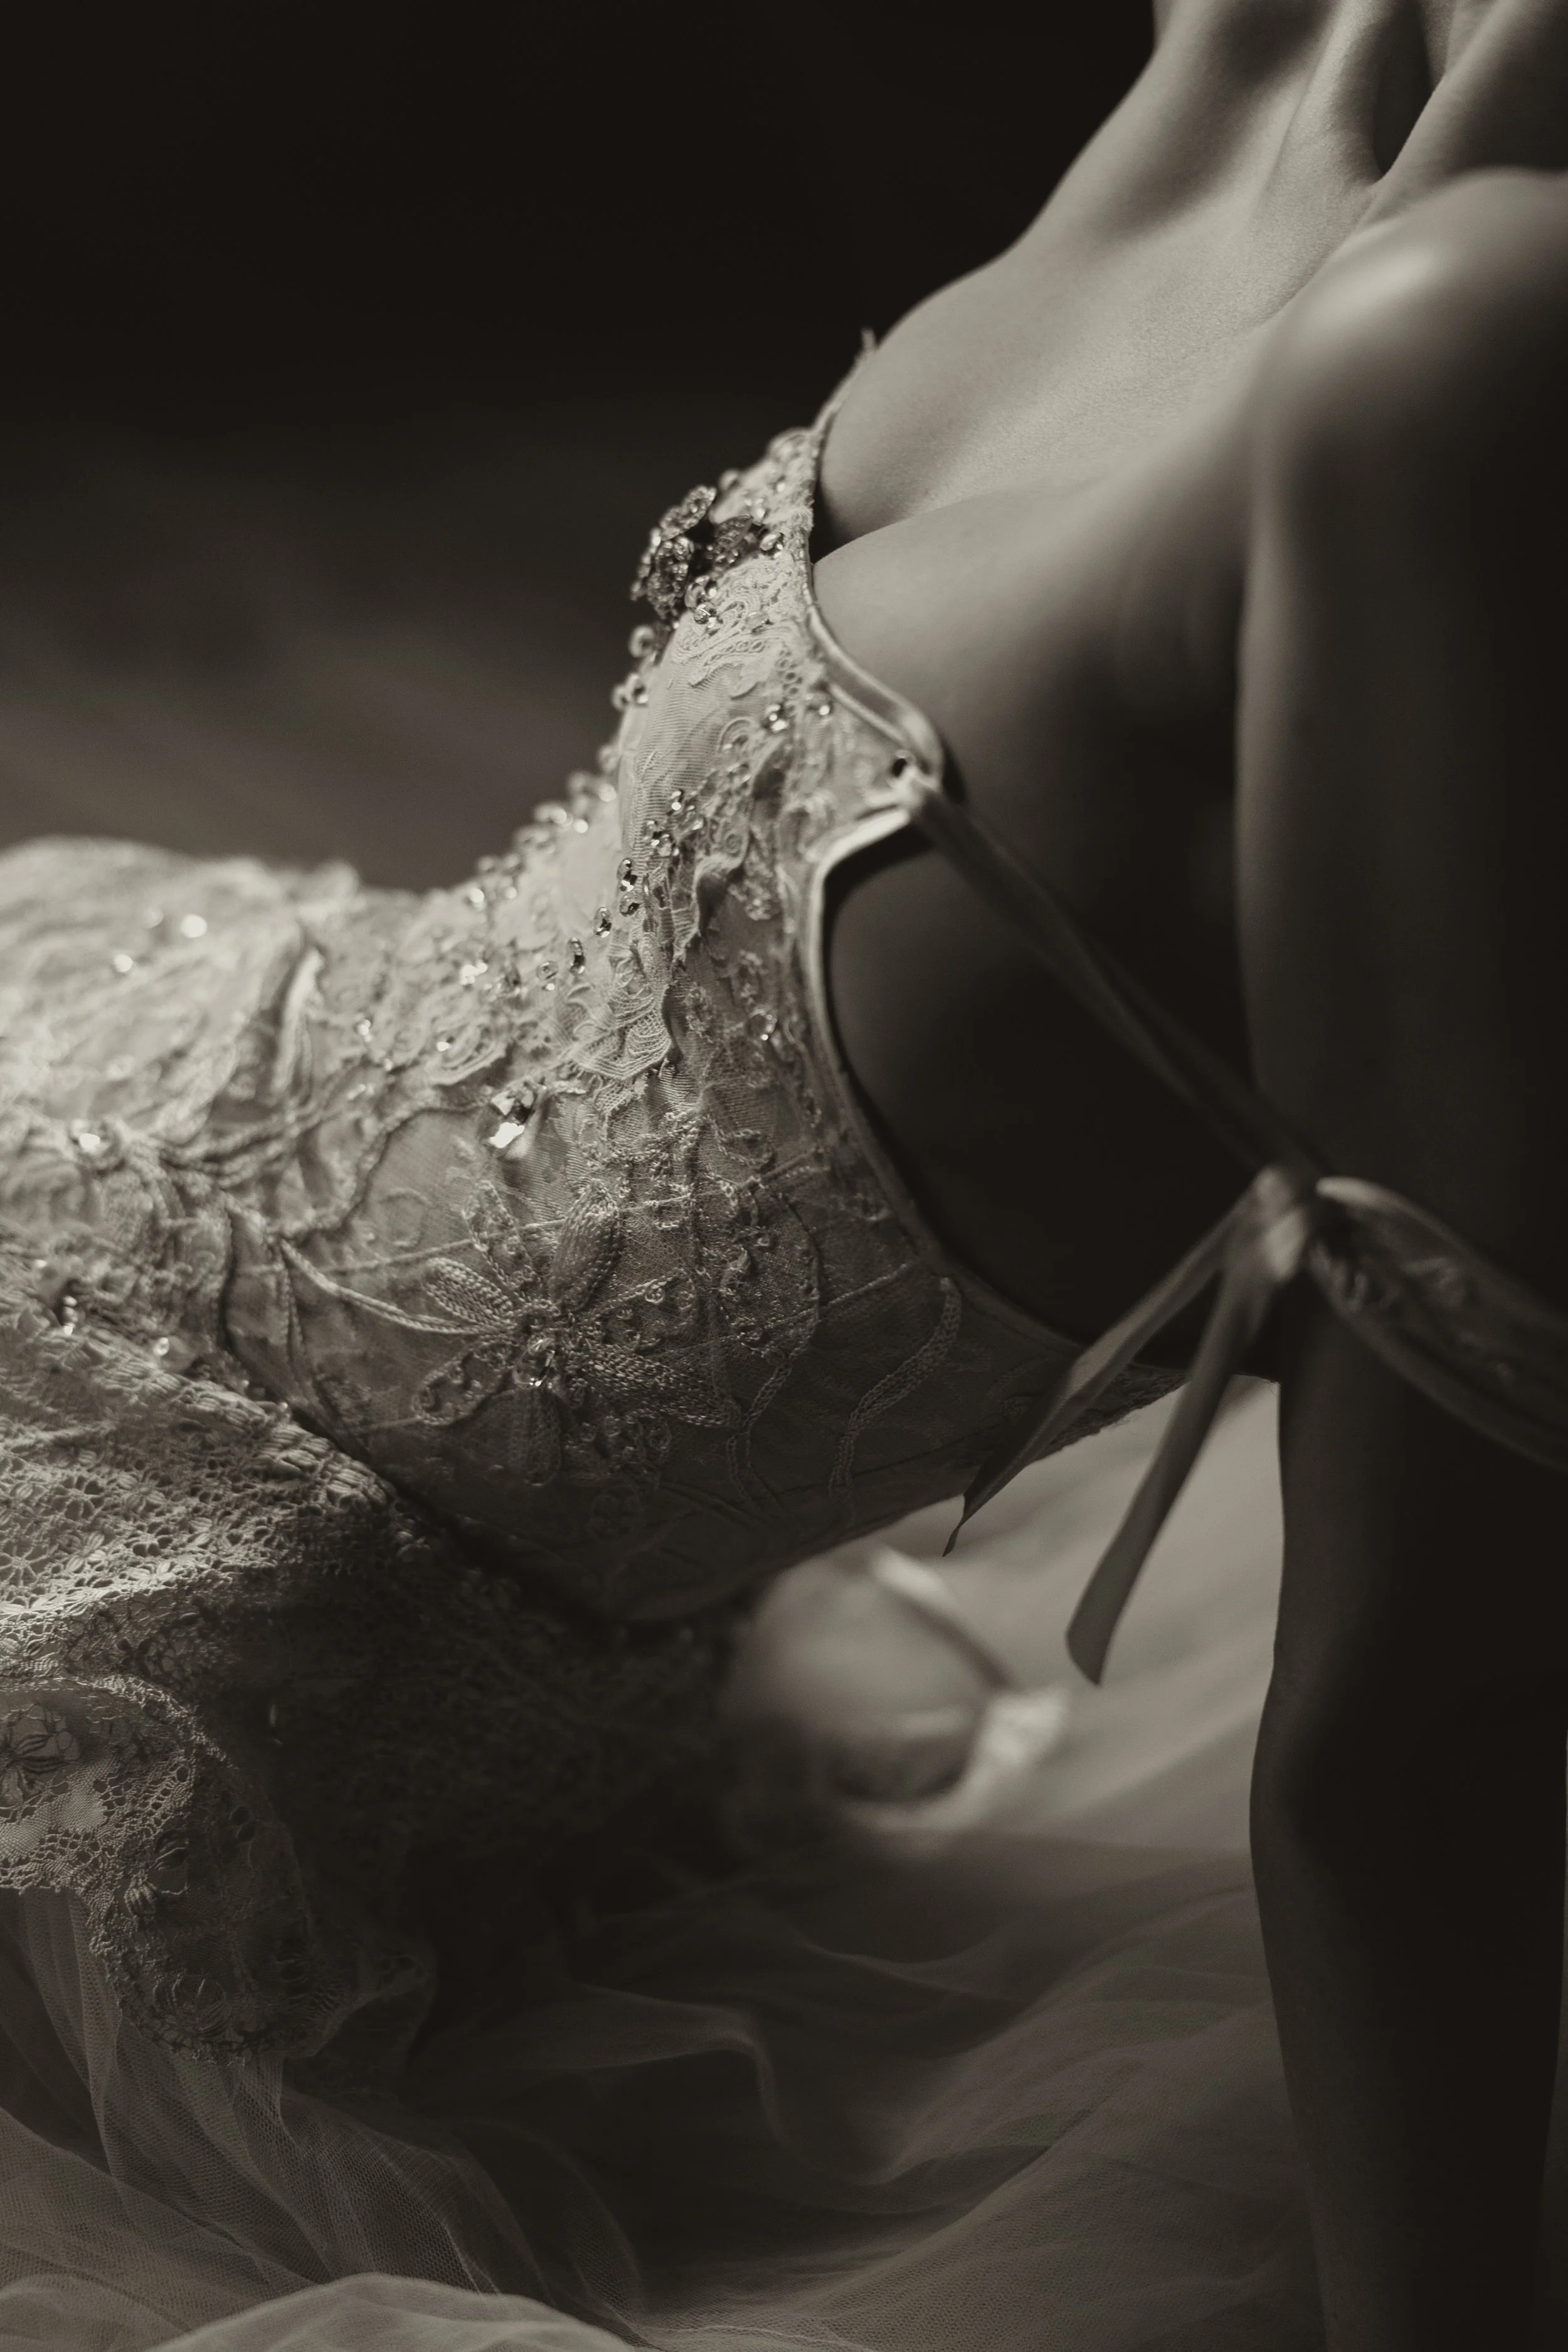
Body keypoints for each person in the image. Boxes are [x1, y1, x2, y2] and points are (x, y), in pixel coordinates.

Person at [2, 0, 1567, 2346]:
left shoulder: (1469, 351)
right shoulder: (1297, 41)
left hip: (203, 1542)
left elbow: (1419, 1719)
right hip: (152, 1076)